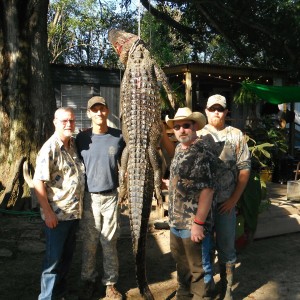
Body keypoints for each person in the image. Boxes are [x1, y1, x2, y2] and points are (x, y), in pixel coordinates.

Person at [198, 94, 251, 300]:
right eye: (212, 109)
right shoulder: (199, 134)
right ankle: (208, 286)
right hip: (203, 206)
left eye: (220, 109)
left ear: (226, 112)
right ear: (206, 111)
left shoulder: (236, 135)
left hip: (225, 204)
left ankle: (227, 288)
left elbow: (244, 169)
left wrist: (233, 200)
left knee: (227, 247)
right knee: (205, 248)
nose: (216, 112)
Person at [164, 107, 220, 300]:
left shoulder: (203, 151)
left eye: (186, 126)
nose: (181, 130)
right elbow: (183, 180)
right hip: (176, 222)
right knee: (182, 267)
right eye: (177, 126)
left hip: (193, 224)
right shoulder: (180, 148)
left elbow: (207, 190)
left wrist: (198, 223)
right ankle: (184, 295)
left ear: (194, 126)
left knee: (199, 269)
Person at [75, 96, 125, 300]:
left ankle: (110, 283)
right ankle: (88, 280)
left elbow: (127, 161)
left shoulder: (119, 137)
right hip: (89, 197)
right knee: (90, 242)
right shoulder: (81, 138)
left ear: (107, 111)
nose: (98, 113)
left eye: (101, 109)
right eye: (94, 110)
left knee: (109, 241)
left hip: (111, 196)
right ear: (88, 113)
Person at [33, 107, 85, 300]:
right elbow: (38, 182)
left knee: (65, 260)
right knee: (52, 263)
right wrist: (48, 213)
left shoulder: (72, 145)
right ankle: (46, 297)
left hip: (73, 214)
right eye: (64, 121)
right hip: (57, 216)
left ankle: (60, 295)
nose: (68, 124)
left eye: (71, 120)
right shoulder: (50, 148)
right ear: (55, 122)